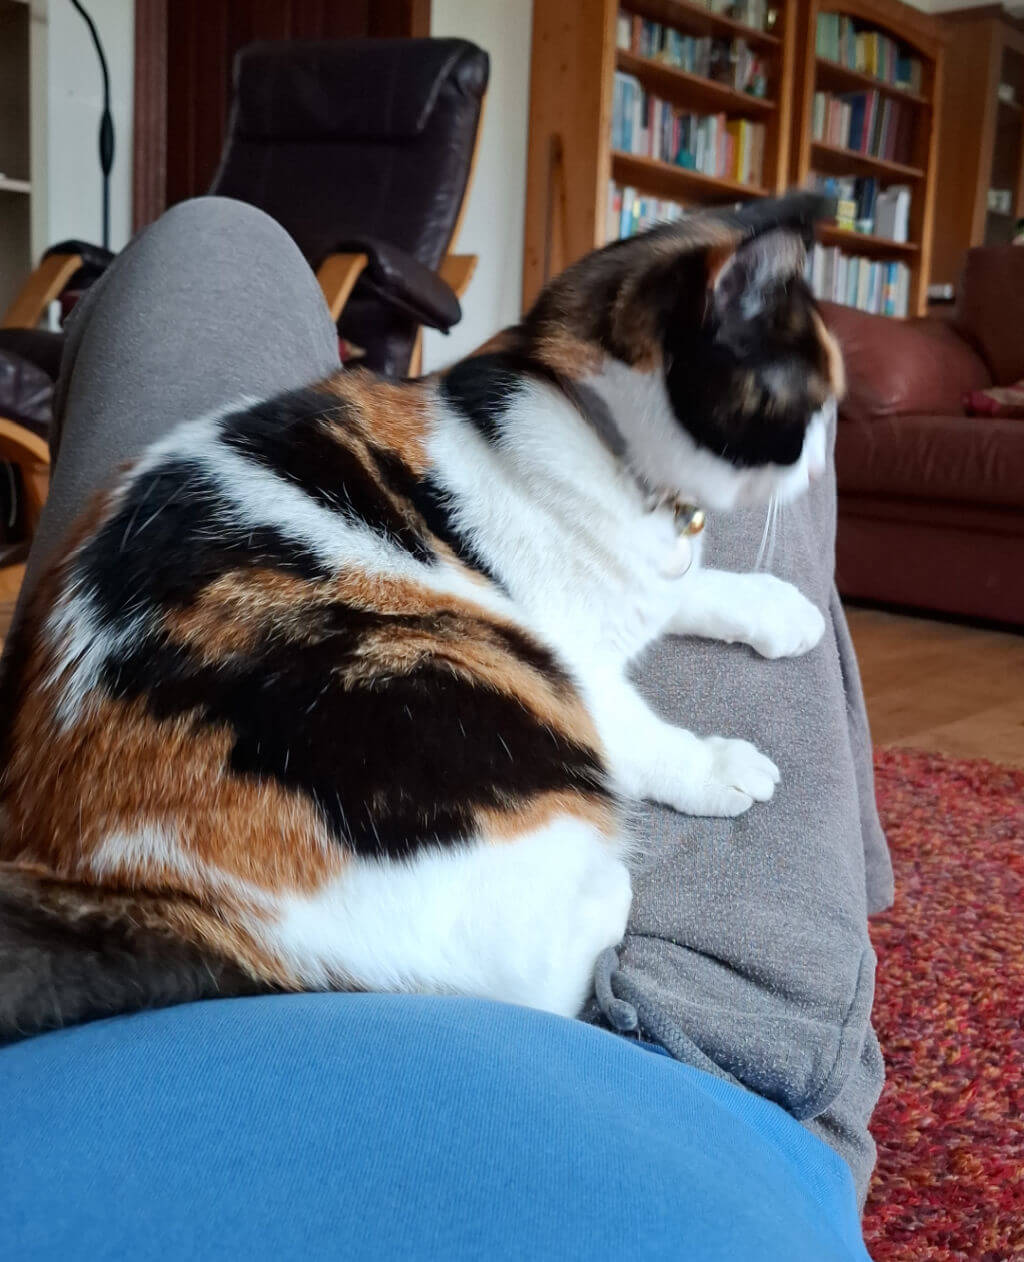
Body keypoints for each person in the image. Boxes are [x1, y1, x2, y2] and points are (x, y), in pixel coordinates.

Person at [1, 198, 890, 1261]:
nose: (805, 457)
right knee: (745, 622)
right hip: (616, 1041)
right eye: (805, 419)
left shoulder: (504, 423)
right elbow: (563, 625)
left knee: (211, 237)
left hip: (107, 937)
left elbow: (545, 589)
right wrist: (685, 759)